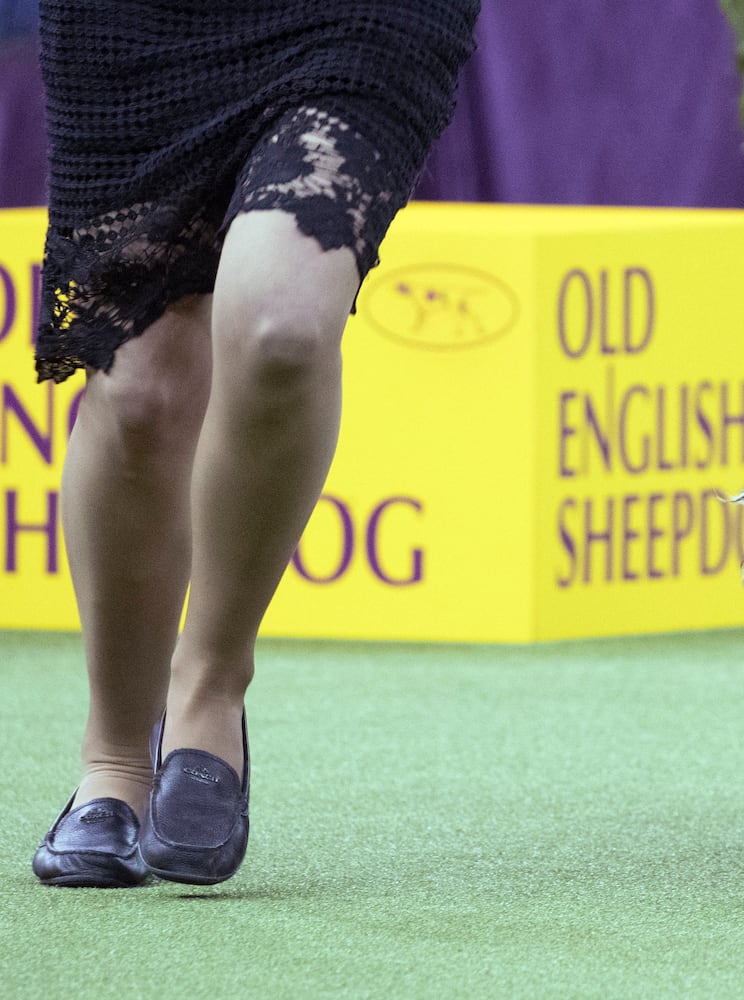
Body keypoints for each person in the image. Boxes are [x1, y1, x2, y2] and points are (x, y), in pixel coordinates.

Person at [30, 0, 480, 887]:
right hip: (134, 28)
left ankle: (209, 690)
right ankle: (115, 759)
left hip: (355, 18)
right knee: (142, 393)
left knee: (281, 326)